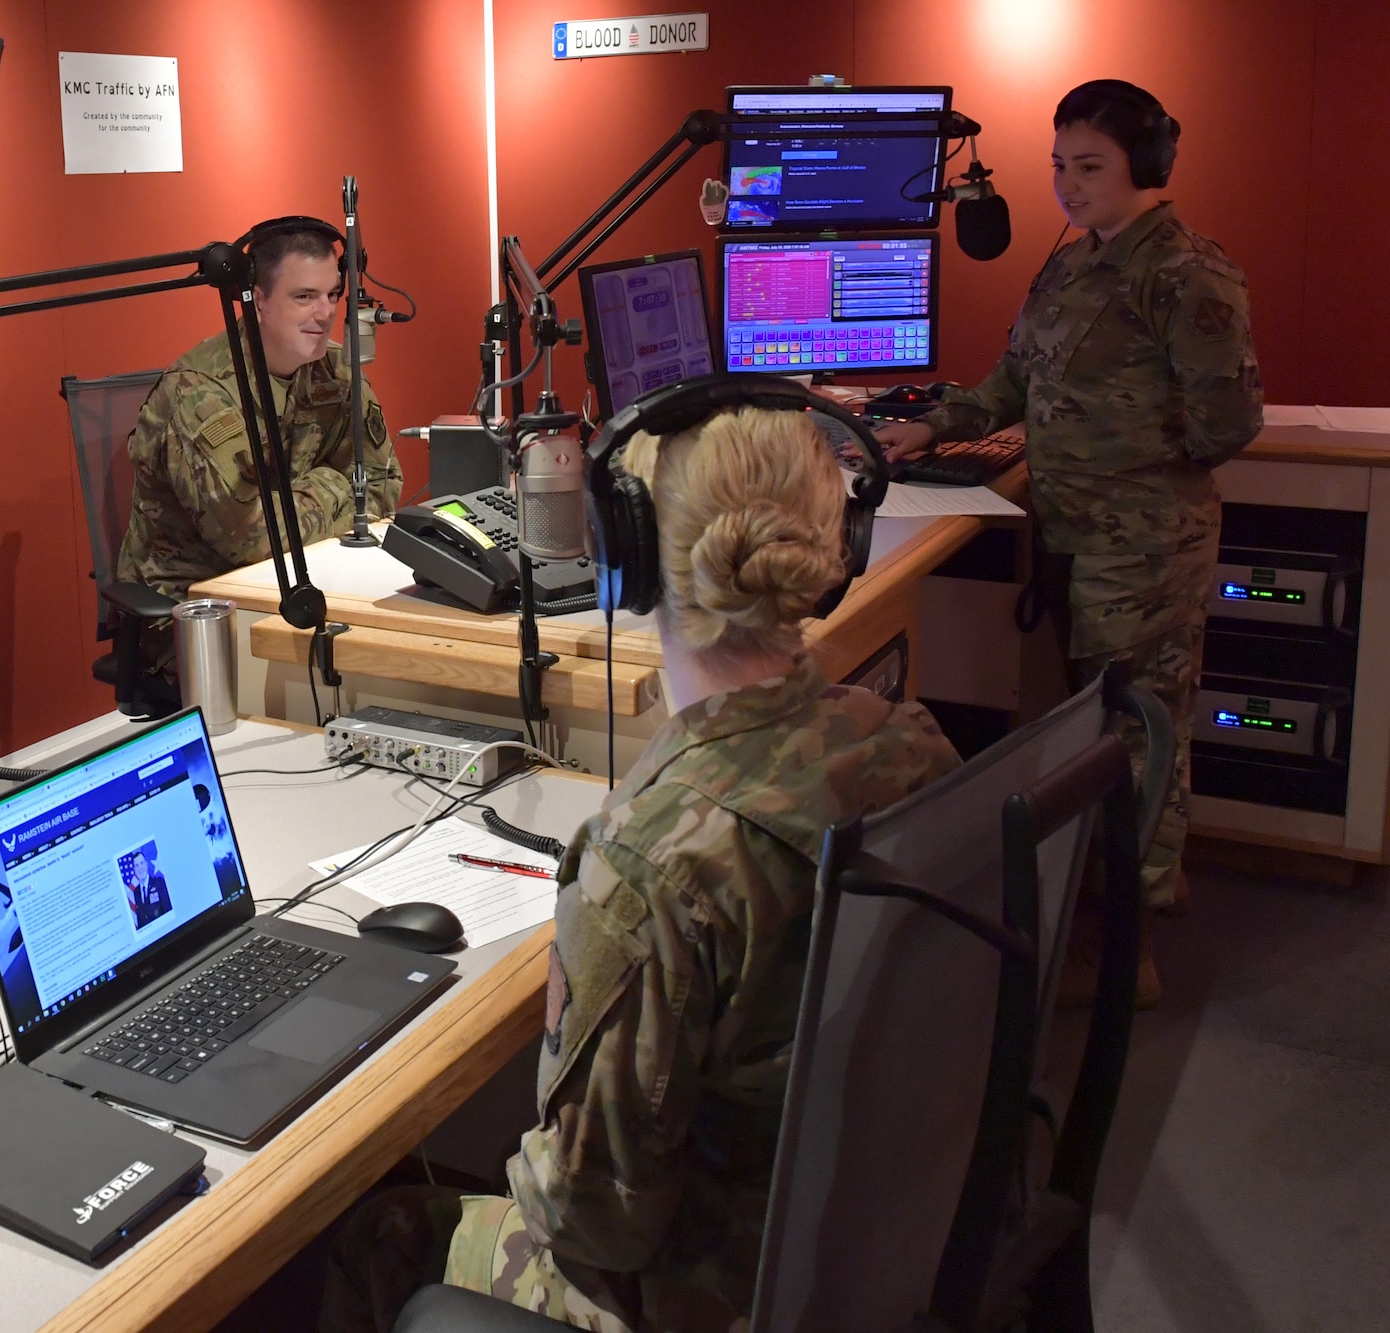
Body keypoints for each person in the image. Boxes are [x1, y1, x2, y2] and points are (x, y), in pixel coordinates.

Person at [319, 405, 962, 1331]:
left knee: (384, 1227)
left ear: (625, 552)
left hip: (711, 1286)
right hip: (863, 1231)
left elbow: (596, 1223)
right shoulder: (904, 739)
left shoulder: (647, 862)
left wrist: (534, 1151)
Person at [873, 80, 1263, 1004]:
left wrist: (1126, 466)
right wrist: (936, 426)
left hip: (1143, 548)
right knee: (1109, 727)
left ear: (1149, 166)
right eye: (1059, 166)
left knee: (1135, 735)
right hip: (1079, 537)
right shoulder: (1076, 262)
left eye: (1089, 167)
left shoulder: (1185, 272)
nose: (1066, 185)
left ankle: (1130, 950)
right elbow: (1017, 374)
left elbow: (1228, 422)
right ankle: (1120, 898)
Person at [116, 222, 403, 672]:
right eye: (304, 297)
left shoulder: (335, 373)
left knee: (396, 651)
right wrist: (333, 482)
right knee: (350, 671)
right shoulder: (202, 394)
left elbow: (384, 486)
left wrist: (301, 504)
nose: (325, 312)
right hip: (195, 611)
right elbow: (251, 540)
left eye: (332, 295)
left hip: (298, 581)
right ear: (259, 300)